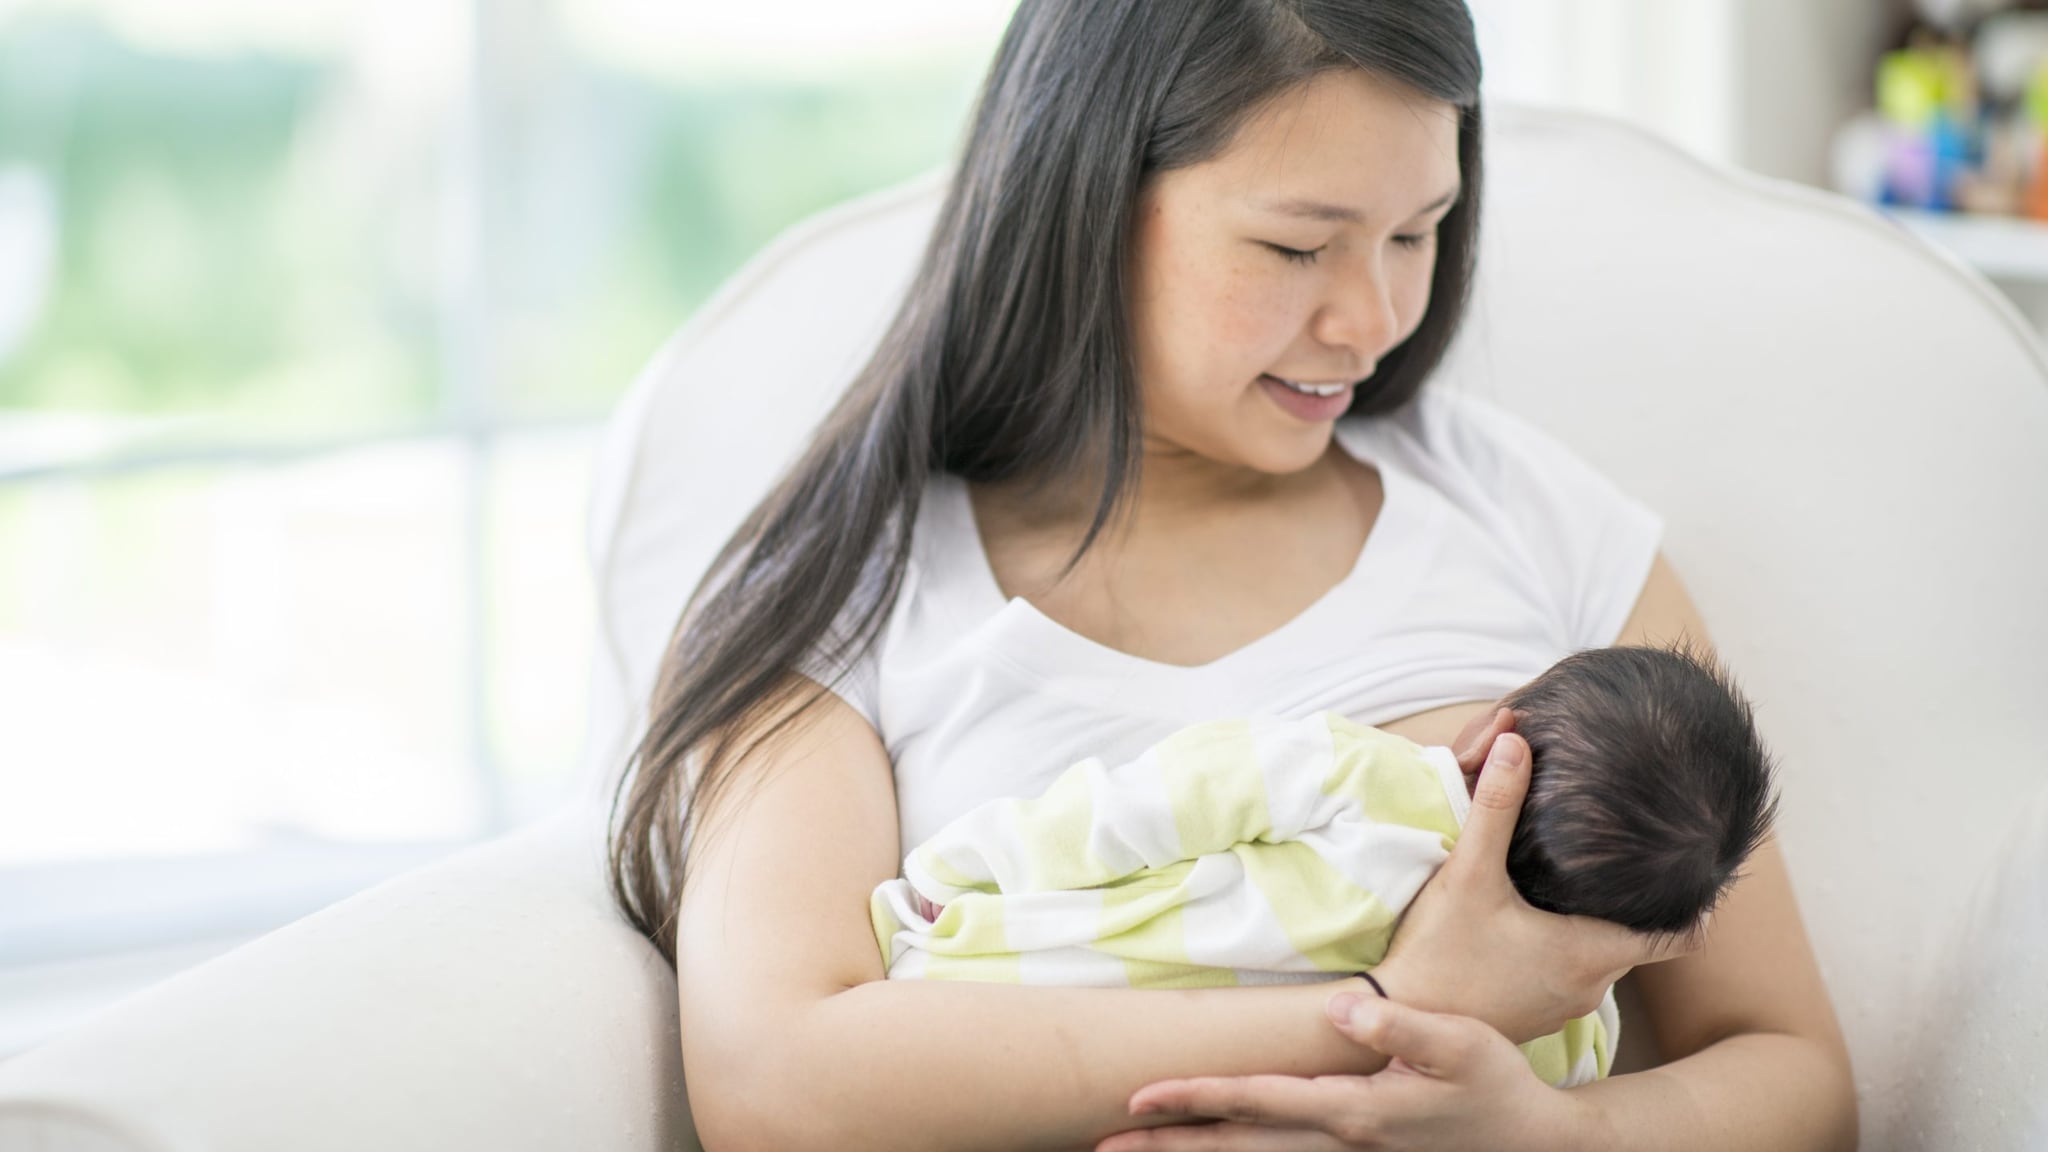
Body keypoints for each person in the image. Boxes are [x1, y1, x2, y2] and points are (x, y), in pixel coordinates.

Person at [606, 2, 1858, 1148]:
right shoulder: (852, 587)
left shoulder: (1530, 521)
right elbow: (775, 1083)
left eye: (1416, 233)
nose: (1369, 319)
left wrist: (1539, 1134)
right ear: (1085, 202)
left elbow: (1791, 1076)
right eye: (1295, 247)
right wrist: (1391, 1014)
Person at [870, 645, 1780, 1091]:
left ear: (1488, 737)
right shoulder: (1567, 1020)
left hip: (987, 978)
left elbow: (1145, 804)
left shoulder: (1359, 774)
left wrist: (969, 868)